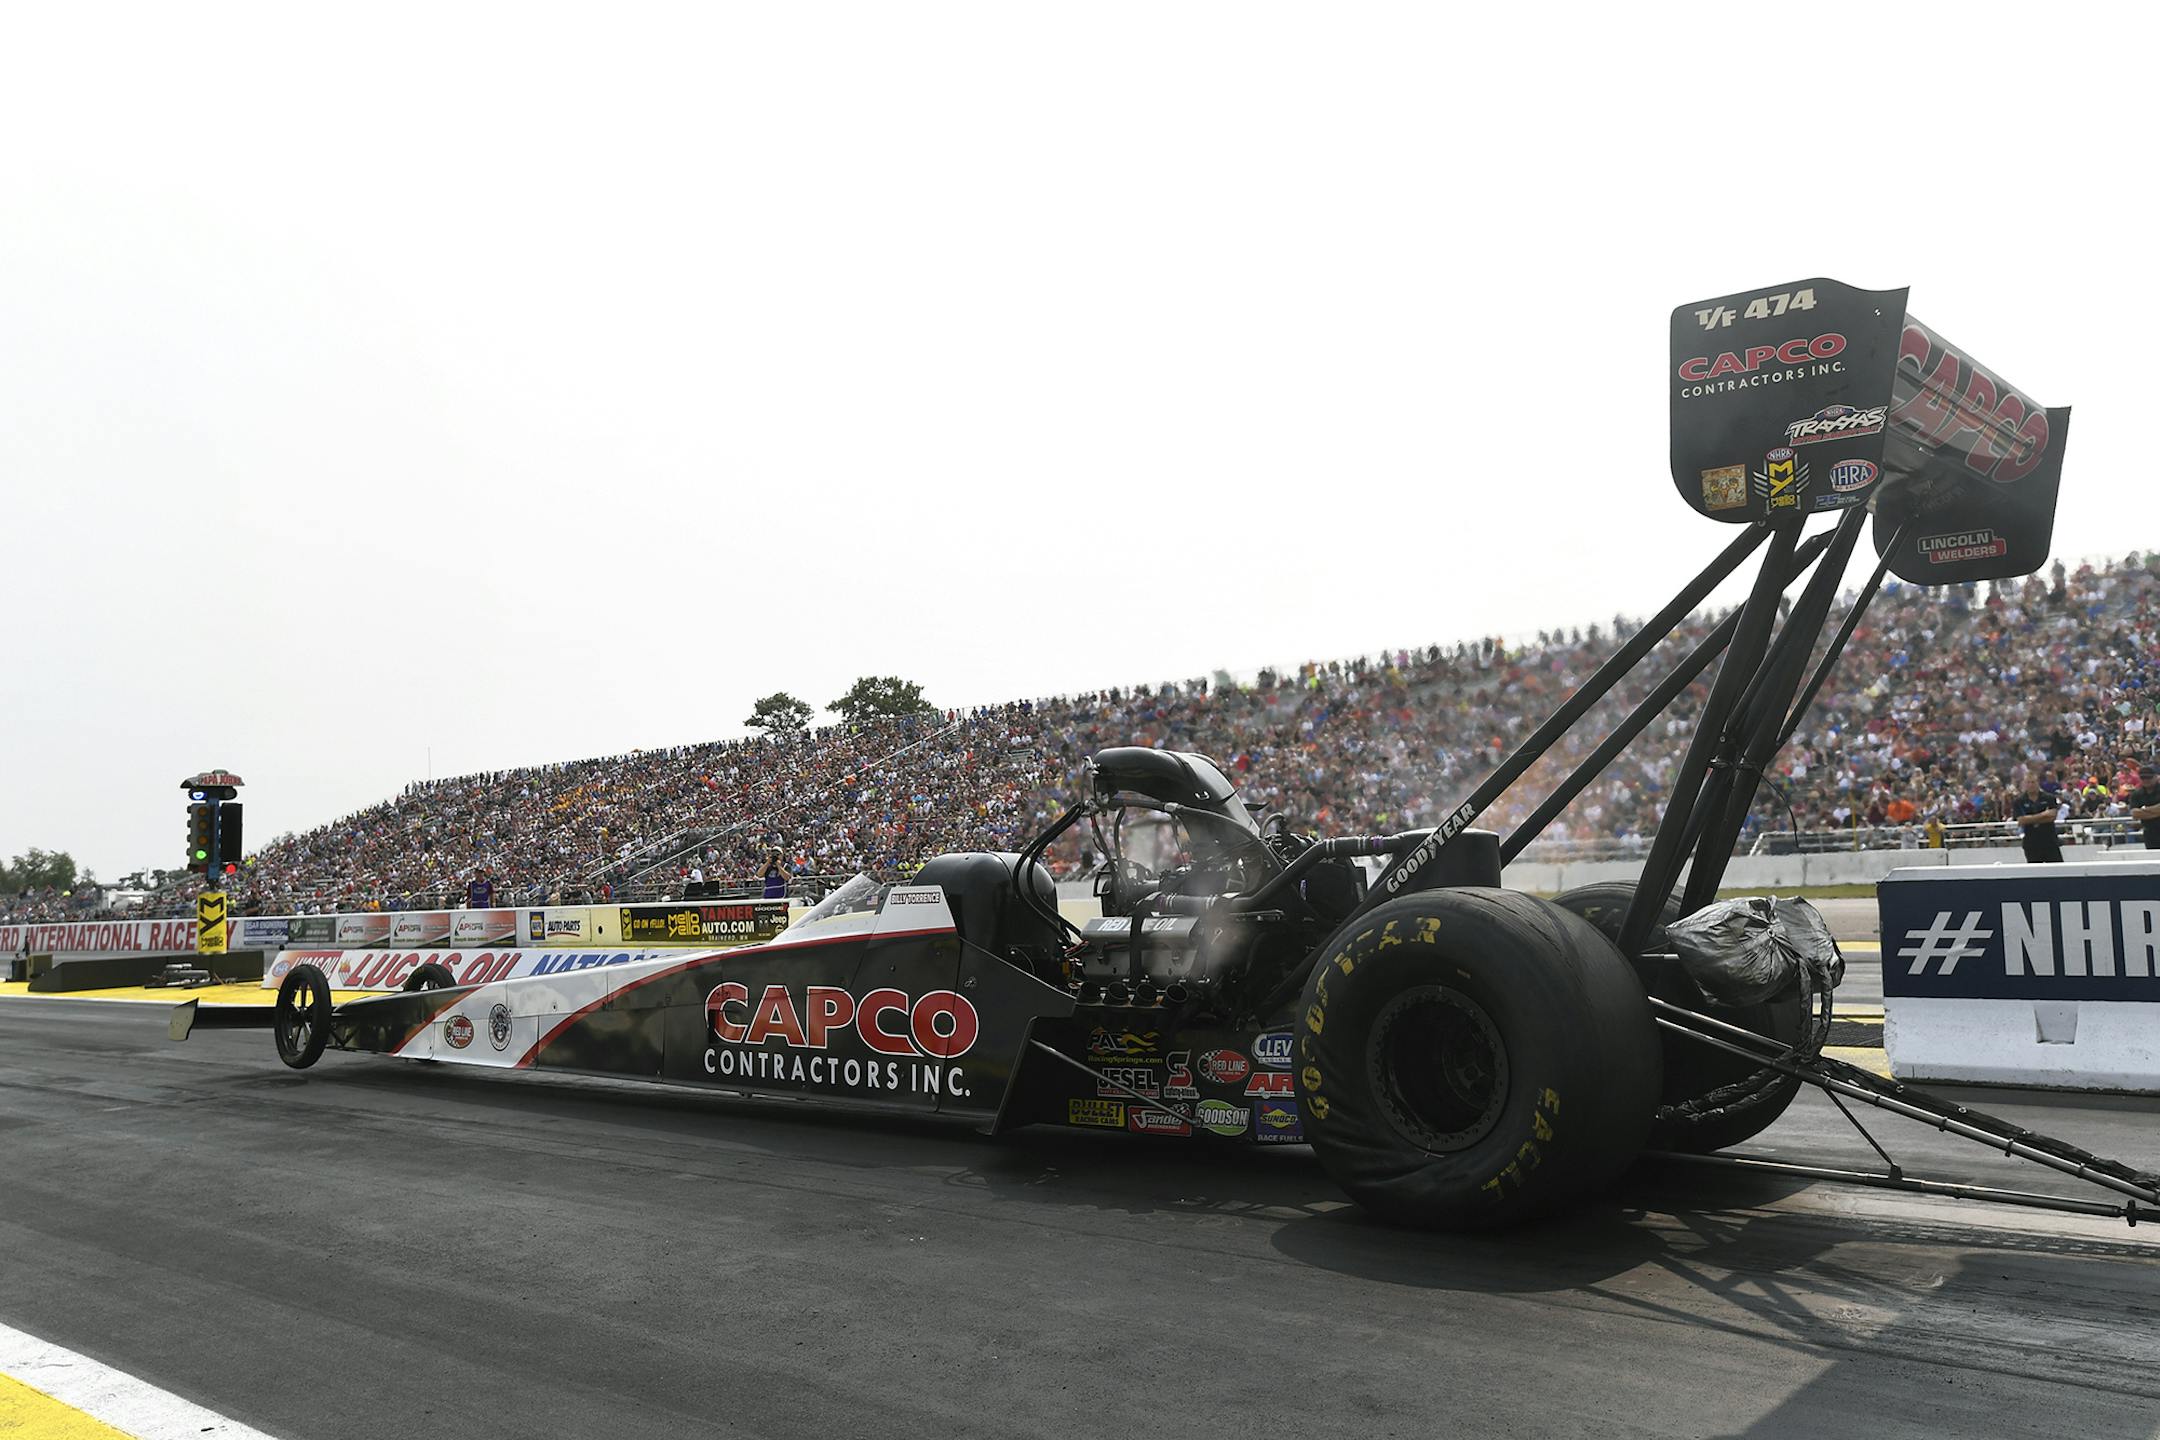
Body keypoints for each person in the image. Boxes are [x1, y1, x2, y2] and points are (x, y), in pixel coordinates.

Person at [2012, 783, 2065, 864]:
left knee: (2057, 870)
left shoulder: (2049, 798)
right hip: (2031, 843)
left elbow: (2052, 816)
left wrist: (2030, 819)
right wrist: (2044, 814)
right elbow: (2021, 820)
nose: (2031, 785)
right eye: (2029, 782)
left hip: (2050, 842)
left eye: (2033, 782)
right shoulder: (2019, 801)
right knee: (2035, 871)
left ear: (2037, 783)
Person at [2129, 760, 2160, 850]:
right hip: (2149, 832)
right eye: (2143, 778)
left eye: (2149, 778)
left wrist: (2144, 811)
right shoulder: (2136, 794)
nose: (2146, 780)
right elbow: (2135, 813)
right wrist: (2156, 811)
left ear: (2156, 777)